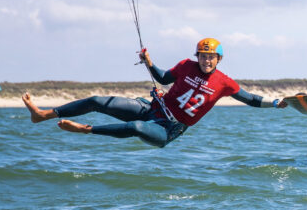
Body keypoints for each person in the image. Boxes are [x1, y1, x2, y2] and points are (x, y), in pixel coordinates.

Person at [22, 38, 287, 148]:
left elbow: (250, 100)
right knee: (97, 100)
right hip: (154, 108)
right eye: (203, 56)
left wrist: (276, 103)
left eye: (211, 57)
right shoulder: (186, 65)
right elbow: (162, 78)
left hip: (169, 129)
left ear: (219, 59)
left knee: (137, 127)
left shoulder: (224, 83)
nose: (206, 60)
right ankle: (43, 114)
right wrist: (149, 61)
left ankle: (86, 130)